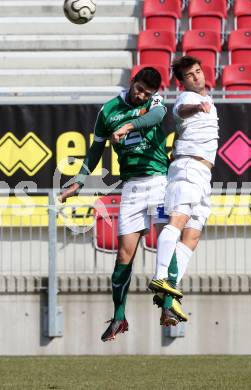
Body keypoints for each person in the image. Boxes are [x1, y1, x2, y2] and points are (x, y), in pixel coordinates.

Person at [59, 67, 189, 342]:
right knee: (124, 254)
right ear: (132, 82)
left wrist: (129, 125)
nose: (141, 95)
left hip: (158, 181)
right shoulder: (108, 110)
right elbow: (96, 148)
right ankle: (119, 317)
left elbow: (156, 116)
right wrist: (80, 181)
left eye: (147, 92)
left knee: (167, 238)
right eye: (139, 89)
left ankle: (169, 307)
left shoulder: (154, 103)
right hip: (130, 187)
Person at [149, 56, 219, 301]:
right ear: (182, 82)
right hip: (189, 168)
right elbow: (181, 111)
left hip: (202, 174)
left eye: (198, 71)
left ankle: (170, 285)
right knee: (178, 222)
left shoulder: (208, 100)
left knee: (193, 235)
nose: (197, 76)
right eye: (190, 75)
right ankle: (159, 275)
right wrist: (198, 108)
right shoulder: (188, 99)